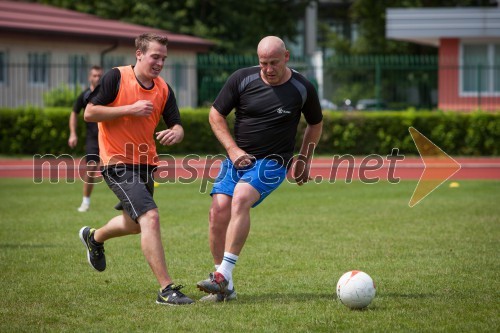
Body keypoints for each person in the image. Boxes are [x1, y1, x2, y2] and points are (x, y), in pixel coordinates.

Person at [196, 36, 323, 302]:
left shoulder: (302, 87)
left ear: (286, 57)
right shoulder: (241, 79)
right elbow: (215, 115)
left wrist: (304, 158)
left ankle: (222, 275)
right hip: (237, 158)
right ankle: (225, 287)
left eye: (274, 62)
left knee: (241, 197)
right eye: (263, 63)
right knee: (218, 210)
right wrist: (232, 150)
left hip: (273, 162)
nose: (268, 69)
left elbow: (315, 123)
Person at [78, 33, 194, 305]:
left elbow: (176, 122)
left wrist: (177, 132)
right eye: (155, 56)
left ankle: (94, 238)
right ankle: (167, 290)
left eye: (164, 58)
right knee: (150, 217)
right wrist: (129, 108)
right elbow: (90, 113)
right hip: (116, 163)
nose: (160, 63)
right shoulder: (115, 77)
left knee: (135, 225)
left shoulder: (163, 88)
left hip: (146, 165)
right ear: (139, 54)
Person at [68, 65, 103, 212]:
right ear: (90, 77)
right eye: (94, 75)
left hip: (109, 137)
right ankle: (85, 202)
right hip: (92, 139)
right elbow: (74, 113)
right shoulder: (84, 95)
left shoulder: (108, 94)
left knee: (116, 169)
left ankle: (125, 201)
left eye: (99, 76)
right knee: (91, 169)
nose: (97, 78)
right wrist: (73, 133)